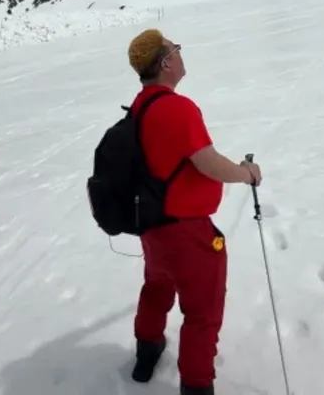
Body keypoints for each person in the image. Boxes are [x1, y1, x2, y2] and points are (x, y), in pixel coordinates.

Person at [125, 28, 263, 395]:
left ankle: (147, 351)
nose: (180, 53)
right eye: (176, 49)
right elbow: (209, 164)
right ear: (166, 63)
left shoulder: (140, 107)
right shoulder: (177, 108)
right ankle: (197, 385)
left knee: (157, 286)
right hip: (188, 233)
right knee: (203, 312)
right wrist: (247, 174)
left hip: (153, 227)